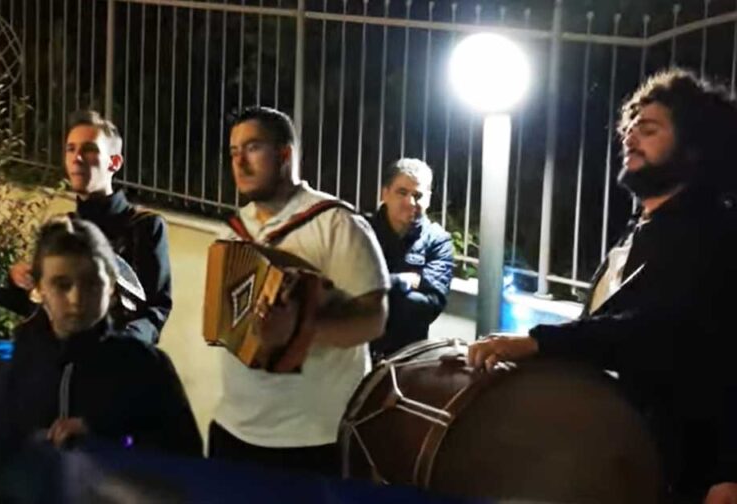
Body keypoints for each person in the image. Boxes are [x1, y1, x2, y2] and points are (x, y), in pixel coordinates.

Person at [467, 69, 737, 504]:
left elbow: (656, 329)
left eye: (648, 130)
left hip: (690, 467)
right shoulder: (641, 230)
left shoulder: (714, 232)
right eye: (629, 127)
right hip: (627, 452)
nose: (630, 137)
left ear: (694, 148)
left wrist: (728, 472)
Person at [208, 106, 389, 476]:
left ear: (285, 154)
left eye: (253, 147)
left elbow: (374, 320)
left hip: (312, 440)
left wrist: (298, 330)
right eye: (233, 151)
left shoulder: (337, 224)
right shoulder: (231, 232)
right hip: (233, 428)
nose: (240, 162)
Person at [0, 217, 200, 471]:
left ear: (112, 287)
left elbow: (185, 462)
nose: (77, 298)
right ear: (39, 288)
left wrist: (105, 430)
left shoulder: (144, 365)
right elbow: (6, 449)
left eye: (92, 284)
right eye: (62, 284)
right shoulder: (27, 353)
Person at [0, 111, 172, 346]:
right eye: (70, 149)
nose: (77, 158)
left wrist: (124, 347)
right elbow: (40, 307)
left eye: (89, 149)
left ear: (114, 162)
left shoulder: (144, 226)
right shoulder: (60, 227)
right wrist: (19, 281)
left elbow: (155, 310)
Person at [365, 158, 453, 360]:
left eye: (418, 195)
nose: (410, 202)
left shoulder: (438, 241)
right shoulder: (362, 230)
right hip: (356, 351)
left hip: (408, 358)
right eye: (402, 192)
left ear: (429, 199)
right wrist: (404, 281)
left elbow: (428, 307)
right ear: (384, 193)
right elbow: (345, 288)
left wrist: (372, 291)